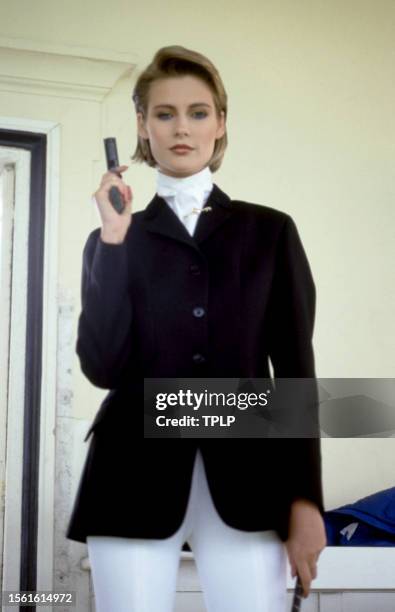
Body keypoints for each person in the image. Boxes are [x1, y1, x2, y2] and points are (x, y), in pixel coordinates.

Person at [66, 45, 327, 611]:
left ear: (221, 122)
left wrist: (306, 499)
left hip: (250, 481)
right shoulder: (113, 238)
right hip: (130, 475)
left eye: (198, 112)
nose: (181, 128)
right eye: (164, 114)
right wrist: (113, 242)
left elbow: (296, 374)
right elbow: (102, 367)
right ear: (142, 125)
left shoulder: (271, 233)